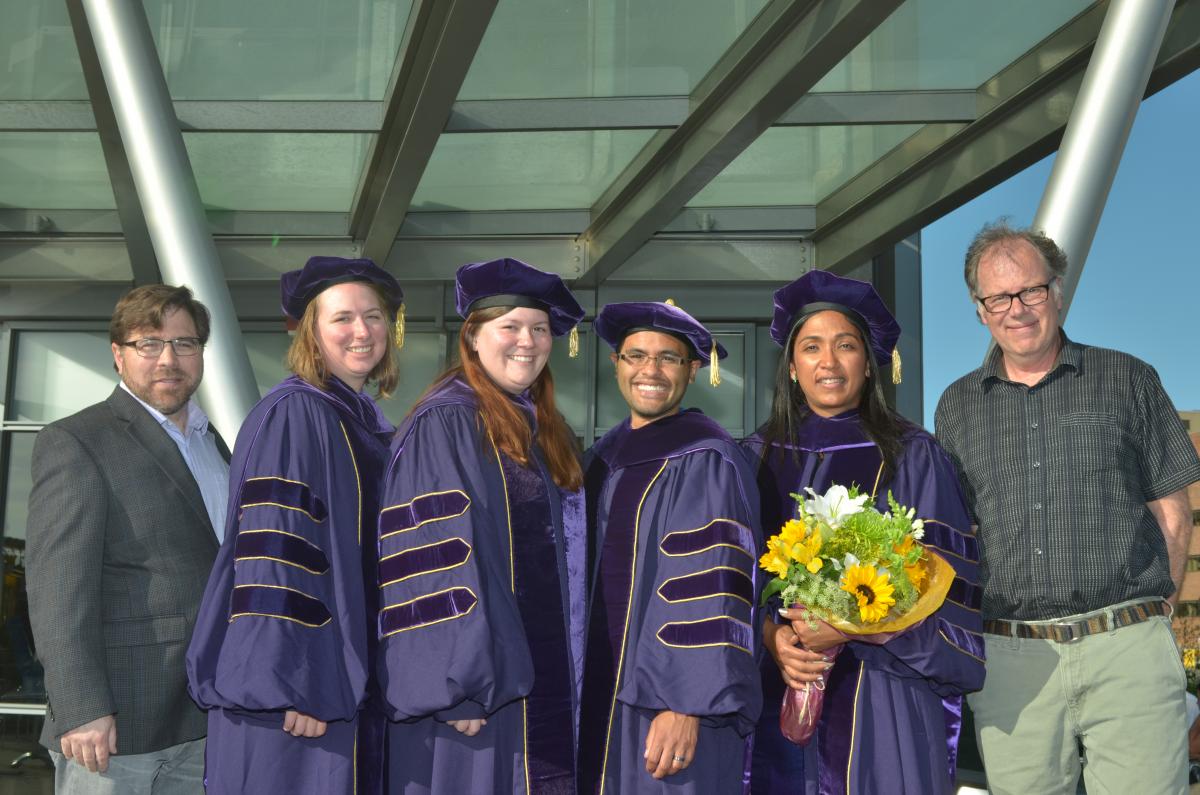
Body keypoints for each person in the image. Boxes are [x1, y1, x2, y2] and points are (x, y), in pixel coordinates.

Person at [935, 222, 1200, 795]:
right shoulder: (956, 407)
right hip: (1011, 659)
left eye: (1030, 290)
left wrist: (1158, 614)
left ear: (1057, 290)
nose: (1017, 309)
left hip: (1125, 645)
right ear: (979, 309)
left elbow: (1174, 512)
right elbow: (960, 532)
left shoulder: (1127, 378)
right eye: (998, 297)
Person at [747, 269, 985, 795]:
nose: (828, 362)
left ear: (870, 364)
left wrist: (851, 625)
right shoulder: (752, 457)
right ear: (791, 367)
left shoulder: (913, 453)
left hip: (884, 688)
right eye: (811, 347)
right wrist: (774, 637)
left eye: (845, 346)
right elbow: (734, 581)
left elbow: (946, 581)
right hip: (774, 682)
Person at [187, 256, 403, 794]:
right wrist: (297, 683)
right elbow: (277, 558)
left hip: (341, 684)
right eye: (343, 318)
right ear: (311, 329)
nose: (363, 331)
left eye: (374, 316)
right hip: (297, 693)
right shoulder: (297, 413)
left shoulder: (360, 417)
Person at [377, 257, 585, 794]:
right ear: (471, 338)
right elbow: (429, 563)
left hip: (527, 687)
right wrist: (458, 686)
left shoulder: (538, 426)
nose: (528, 341)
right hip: (474, 697)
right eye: (510, 326)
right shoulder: (445, 421)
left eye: (539, 329)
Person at [27, 284, 228, 793]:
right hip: (116, 724)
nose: (169, 358)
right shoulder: (76, 441)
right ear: (118, 355)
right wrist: (81, 706)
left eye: (185, 343)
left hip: (208, 712)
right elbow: (57, 591)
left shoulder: (217, 444)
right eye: (149, 344)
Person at [577, 301, 762, 794]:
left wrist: (687, 703)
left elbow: (715, 588)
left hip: (666, 705)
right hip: (595, 698)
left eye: (669, 358)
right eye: (636, 355)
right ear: (616, 363)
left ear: (693, 369)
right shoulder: (596, 460)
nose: (650, 371)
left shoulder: (707, 457)